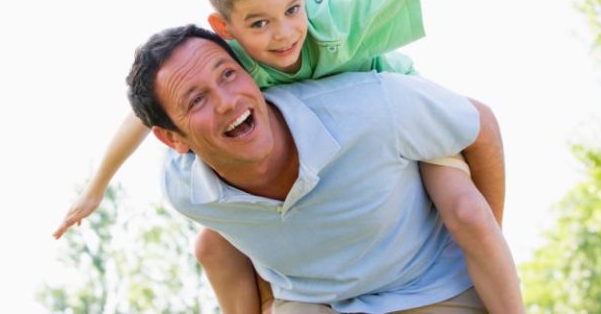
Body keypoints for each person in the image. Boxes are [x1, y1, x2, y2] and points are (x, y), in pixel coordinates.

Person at [54, 0, 601, 313]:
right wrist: (96, 187)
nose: (284, 36)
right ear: (224, 29)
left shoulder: (340, 18)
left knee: (467, 214)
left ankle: (488, 285)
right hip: (316, 170)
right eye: (259, 24)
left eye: (292, 9)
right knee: (211, 244)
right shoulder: (221, 69)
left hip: (397, 127)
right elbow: (148, 113)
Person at [127, 24, 496, 313]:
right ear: (173, 139)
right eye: (197, 100)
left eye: (227, 74)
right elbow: (226, 240)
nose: (226, 102)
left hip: (426, 287)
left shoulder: (374, 108)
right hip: (316, 300)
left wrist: (489, 239)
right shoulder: (184, 188)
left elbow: (482, 126)